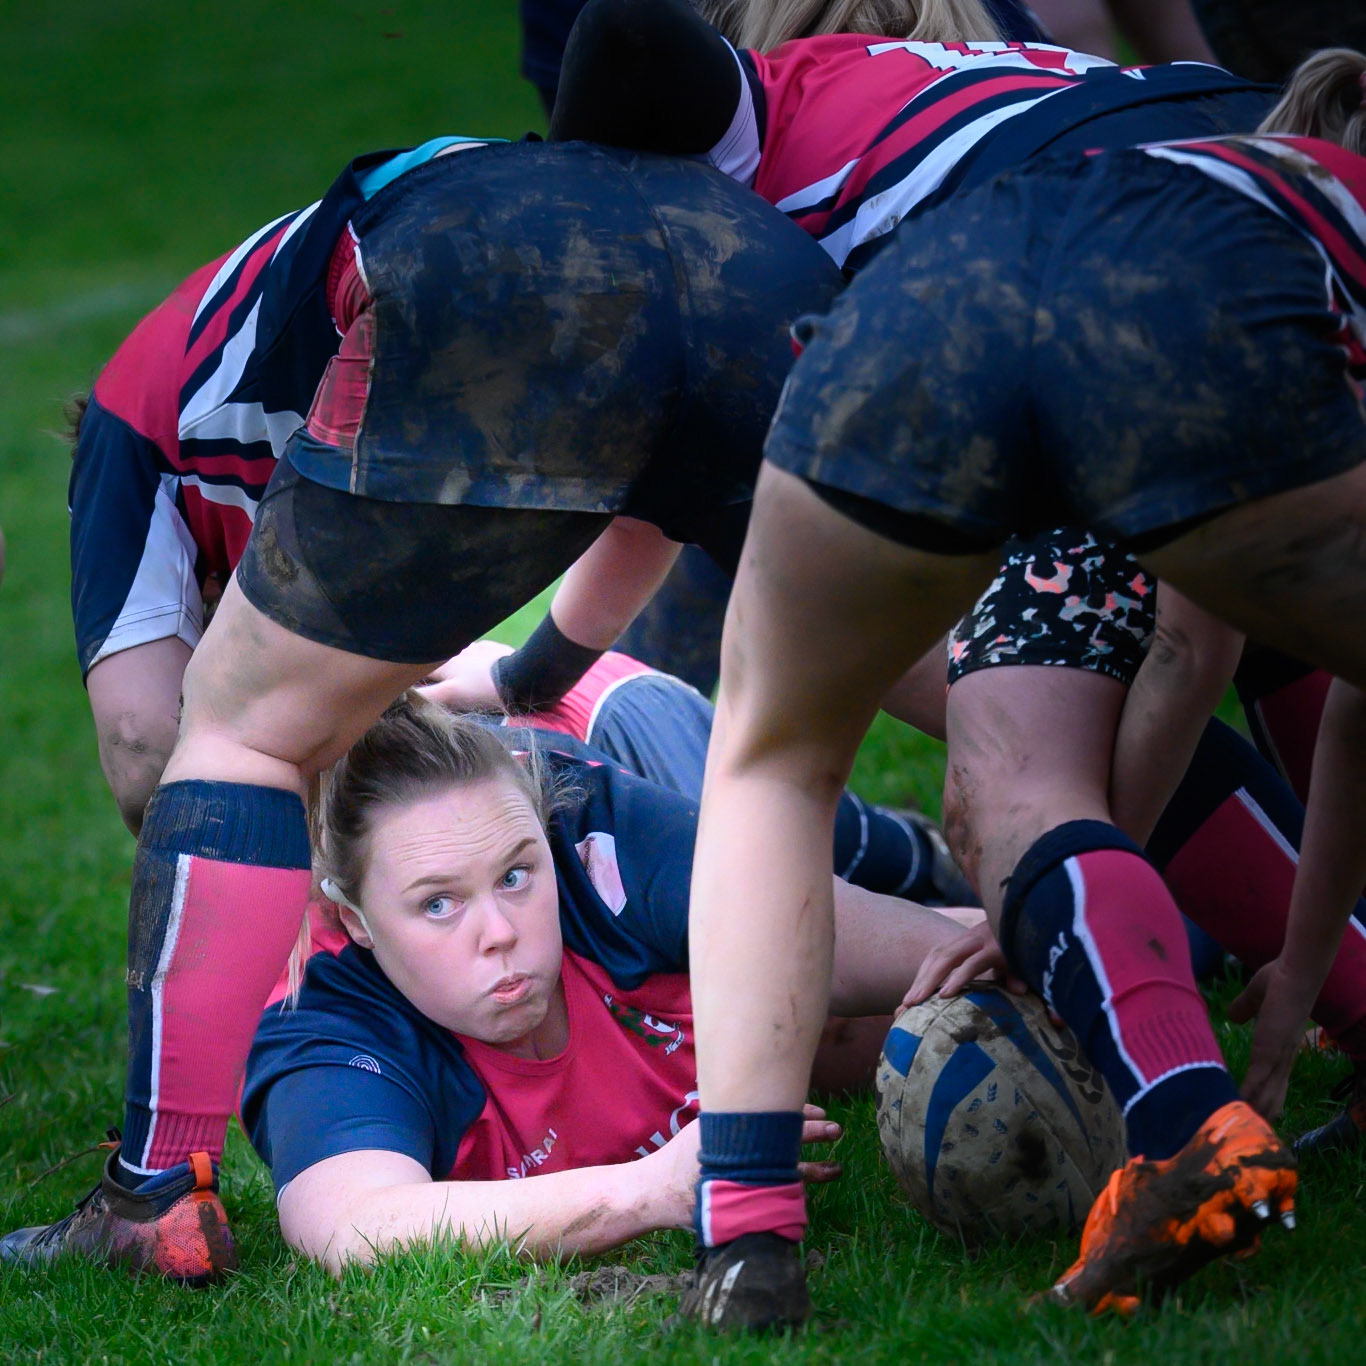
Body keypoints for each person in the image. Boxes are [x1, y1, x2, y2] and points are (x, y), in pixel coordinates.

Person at [9, 133, 844, 1283]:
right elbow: (657, 484)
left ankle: (155, 1189)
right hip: (731, 262)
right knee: (932, 673)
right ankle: (1079, 894)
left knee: (229, 738)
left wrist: (251, 942)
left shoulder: (131, 433)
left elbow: (150, 742)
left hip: (618, 737)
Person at [678, 51, 1366, 1329]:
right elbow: (1198, 652)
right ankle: (1190, 1104)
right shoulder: (1289, 248)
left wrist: (1045, 873)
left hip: (934, 299)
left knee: (772, 753)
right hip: (1158, 306)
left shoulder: (1179, 168)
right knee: (1052, 769)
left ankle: (749, 1250)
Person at [230, 693, 988, 1270]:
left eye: (516, 875)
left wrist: (1043, 963)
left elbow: (827, 931)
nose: (498, 930)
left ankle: (908, 843)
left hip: (630, 729)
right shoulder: (321, 1010)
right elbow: (355, 1224)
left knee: (852, 877)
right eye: (438, 903)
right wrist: (651, 1189)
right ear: (358, 922)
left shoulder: (591, 834)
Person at [69, 134, 505, 834]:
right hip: (473, 199)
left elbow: (144, 746)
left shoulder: (134, 434)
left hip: (406, 243)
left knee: (194, 760)